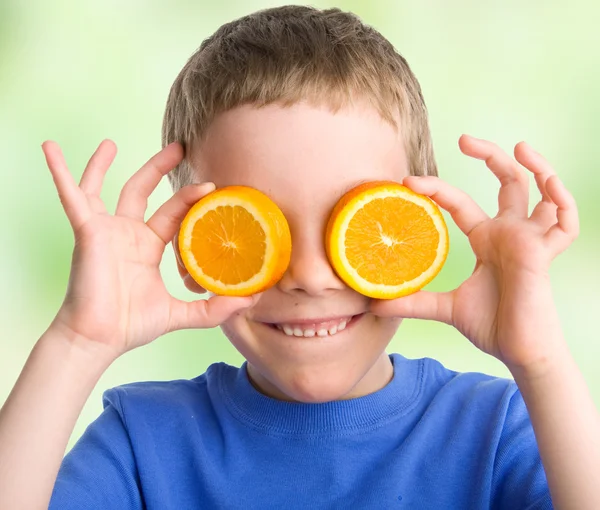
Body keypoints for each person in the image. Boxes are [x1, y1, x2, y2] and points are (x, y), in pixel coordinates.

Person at [0, 5, 598, 509]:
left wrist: (540, 360)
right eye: (261, 229)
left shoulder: (497, 430)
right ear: (192, 246)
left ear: (415, 231)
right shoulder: (141, 443)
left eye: (350, 221)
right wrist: (78, 343)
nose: (309, 276)